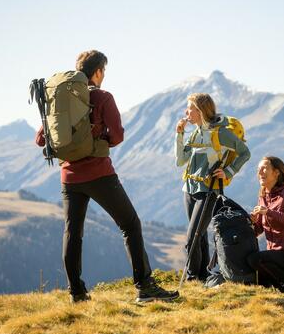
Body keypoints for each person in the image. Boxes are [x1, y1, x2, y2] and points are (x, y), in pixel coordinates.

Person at [35, 50, 179, 303]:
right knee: (130, 224)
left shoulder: (60, 99)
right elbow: (118, 135)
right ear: (98, 71)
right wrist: (100, 138)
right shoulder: (102, 97)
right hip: (100, 174)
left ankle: (77, 293)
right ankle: (145, 287)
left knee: (72, 233)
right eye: (104, 71)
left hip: (69, 178)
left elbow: (40, 139)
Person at [175, 93, 250, 281]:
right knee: (198, 236)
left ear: (200, 111)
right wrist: (179, 134)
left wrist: (229, 171)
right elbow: (180, 160)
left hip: (208, 191)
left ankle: (192, 278)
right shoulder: (195, 133)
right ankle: (202, 276)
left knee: (192, 236)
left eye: (190, 108)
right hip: (189, 189)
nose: (186, 112)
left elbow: (244, 153)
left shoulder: (221, 133)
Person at [247, 156, 284, 293]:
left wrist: (269, 212)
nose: (260, 172)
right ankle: (279, 286)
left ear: (276, 172)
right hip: (274, 258)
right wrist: (252, 223)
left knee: (255, 259)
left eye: (264, 168)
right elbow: (259, 229)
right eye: (258, 170)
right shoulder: (263, 196)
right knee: (250, 265)